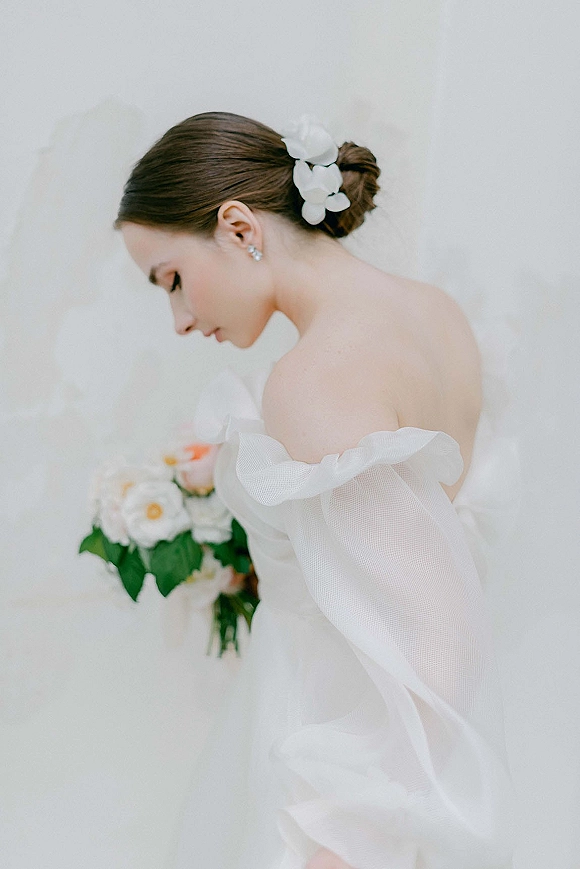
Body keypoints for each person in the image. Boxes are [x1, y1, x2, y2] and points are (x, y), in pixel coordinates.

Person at [115, 112, 517, 869]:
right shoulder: (437, 312)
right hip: (392, 765)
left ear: (238, 228)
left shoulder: (313, 379)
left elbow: (439, 641)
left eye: (171, 278)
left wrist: (346, 839)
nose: (176, 317)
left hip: (326, 764)